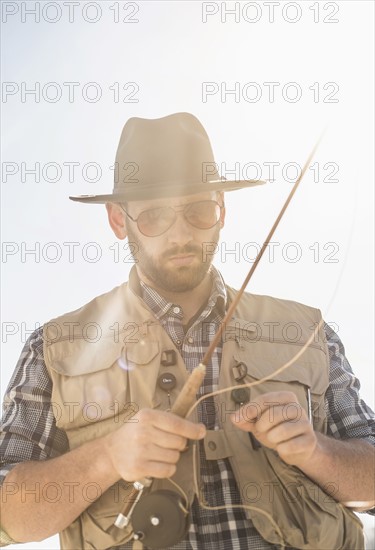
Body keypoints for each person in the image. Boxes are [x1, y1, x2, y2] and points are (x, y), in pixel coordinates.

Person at [0, 112, 374, 550]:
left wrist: (317, 453)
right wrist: (105, 457)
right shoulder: (52, 348)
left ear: (222, 210)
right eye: (154, 215)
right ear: (119, 222)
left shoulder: (308, 331)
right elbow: (9, 518)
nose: (180, 234)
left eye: (198, 210)